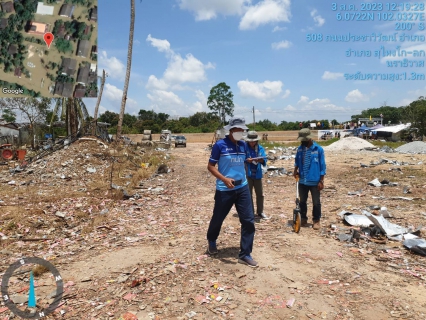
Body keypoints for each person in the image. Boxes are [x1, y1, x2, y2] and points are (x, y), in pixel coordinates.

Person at [206, 117, 258, 268]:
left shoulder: (243, 145)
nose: (241, 133)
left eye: (242, 130)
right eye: (238, 130)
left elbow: (241, 162)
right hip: (225, 189)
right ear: (231, 130)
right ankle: (212, 240)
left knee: (248, 221)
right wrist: (224, 179)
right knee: (218, 218)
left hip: (242, 188)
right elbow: (210, 166)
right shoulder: (220, 145)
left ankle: (245, 254)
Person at [293, 128, 326, 230]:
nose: (302, 141)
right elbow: (297, 161)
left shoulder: (318, 149)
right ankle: (303, 218)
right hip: (303, 180)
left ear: (309, 138)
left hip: (315, 181)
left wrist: (321, 180)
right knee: (302, 201)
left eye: (304, 139)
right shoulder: (300, 149)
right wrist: (295, 170)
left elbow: (322, 166)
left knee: (316, 202)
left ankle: (316, 220)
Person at [244, 131, 269, 220]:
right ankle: (250, 212)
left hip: (257, 174)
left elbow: (264, 160)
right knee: (248, 194)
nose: (252, 143)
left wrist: (260, 160)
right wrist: (247, 160)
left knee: (260, 194)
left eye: (253, 141)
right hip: (248, 173)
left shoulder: (260, 148)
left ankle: (260, 211)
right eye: (250, 141)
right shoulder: (244, 148)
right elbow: (242, 158)